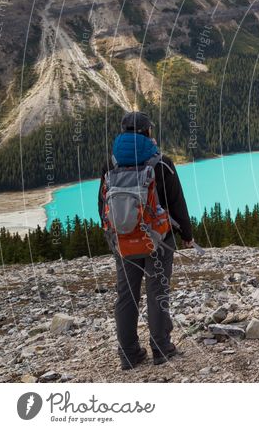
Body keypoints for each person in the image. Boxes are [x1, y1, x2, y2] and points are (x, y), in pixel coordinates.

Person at [98, 111, 194, 370]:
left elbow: (102, 207)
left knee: (126, 295)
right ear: (147, 132)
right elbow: (177, 203)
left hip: (124, 242)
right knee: (157, 291)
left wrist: (117, 236)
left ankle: (128, 354)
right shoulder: (162, 163)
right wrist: (187, 234)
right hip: (158, 241)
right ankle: (161, 349)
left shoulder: (111, 164)